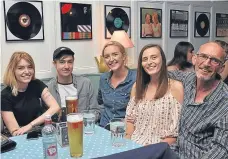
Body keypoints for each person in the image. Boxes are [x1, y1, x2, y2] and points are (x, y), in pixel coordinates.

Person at [169, 42, 228, 159]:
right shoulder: (188, 79)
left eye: (214, 60)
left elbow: (221, 149)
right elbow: (164, 73)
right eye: (203, 56)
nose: (206, 63)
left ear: (221, 68)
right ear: (194, 59)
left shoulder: (225, 100)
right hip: (173, 151)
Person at [125, 44, 183, 146]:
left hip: (161, 148)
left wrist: (152, 149)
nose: (149, 62)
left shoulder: (176, 87)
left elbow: (175, 134)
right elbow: (130, 120)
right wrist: (127, 141)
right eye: (145, 59)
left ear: (162, 59)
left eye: (154, 57)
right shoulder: (137, 87)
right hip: (134, 145)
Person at [1, 52, 60, 136]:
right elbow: (15, 132)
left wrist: (31, 125)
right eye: (21, 68)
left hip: (41, 131)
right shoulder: (4, 96)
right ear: (12, 71)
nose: (27, 71)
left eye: (30, 67)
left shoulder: (36, 84)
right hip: (22, 135)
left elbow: (55, 107)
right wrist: (28, 128)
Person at [47, 47, 100, 122]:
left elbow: (96, 111)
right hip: (60, 129)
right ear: (55, 64)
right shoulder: (49, 88)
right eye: (62, 62)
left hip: (82, 127)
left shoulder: (85, 83)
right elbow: (46, 116)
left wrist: (81, 121)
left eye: (70, 62)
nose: (66, 66)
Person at [98, 41, 136, 128]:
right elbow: (100, 102)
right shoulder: (103, 78)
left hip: (125, 129)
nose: (111, 59)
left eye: (115, 54)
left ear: (123, 56)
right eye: (107, 56)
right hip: (104, 127)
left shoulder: (136, 78)